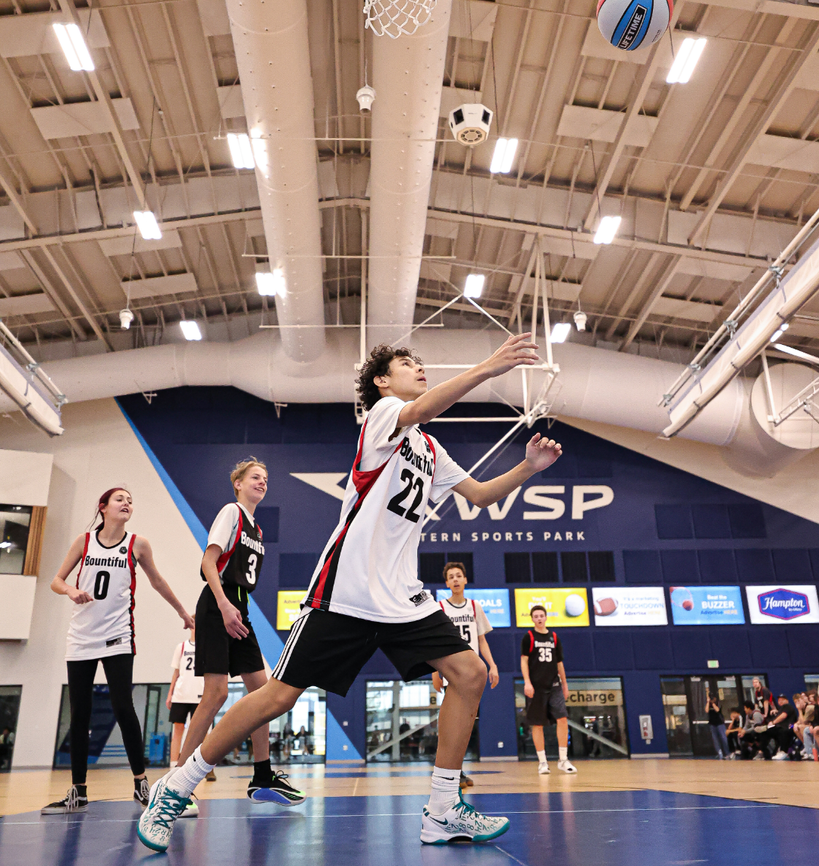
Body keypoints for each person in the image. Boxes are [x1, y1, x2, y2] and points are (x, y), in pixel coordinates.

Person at [137, 332, 562, 851]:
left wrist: (527, 469)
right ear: (383, 380)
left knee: (470, 672)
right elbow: (425, 405)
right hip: (346, 591)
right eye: (408, 364)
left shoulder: (430, 447)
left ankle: (443, 809)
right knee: (277, 697)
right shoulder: (383, 415)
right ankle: (175, 786)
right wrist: (488, 368)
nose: (419, 369)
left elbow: (477, 494)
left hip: (402, 596)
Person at [43, 487, 193, 815]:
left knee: (123, 706)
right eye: (119, 499)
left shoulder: (137, 543)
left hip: (117, 636)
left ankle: (141, 783)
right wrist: (70, 590)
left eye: (130, 500)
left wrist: (182, 612)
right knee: (80, 713)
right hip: (80, 637)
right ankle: (78, 791)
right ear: (103, 507)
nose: (127, 503)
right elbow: (56, 580)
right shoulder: (84, 542)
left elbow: (157, 581)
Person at [173, 459, 297, 806]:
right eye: (256, 477)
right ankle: (177, 783)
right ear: (238, 484)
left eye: (266, 478)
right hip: (218, 604)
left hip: (239, 607)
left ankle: (262, 775)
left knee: (264, 694)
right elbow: (208, 562)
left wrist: (235, 608)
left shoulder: (256, 529)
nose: (263, 482)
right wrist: (224, 606)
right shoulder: (232, 512)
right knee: (215, 694)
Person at [431, 561, 499, 789]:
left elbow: (481, 640)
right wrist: (435, 671)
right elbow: (435, 643)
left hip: (472, 672)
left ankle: (456, 770)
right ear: (447, 583)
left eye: (459, 575)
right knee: (453, 724)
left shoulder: (474, 606)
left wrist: (492, 665)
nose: (456, 580)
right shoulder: (440, 607)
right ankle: (451, 772)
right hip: (453, 670)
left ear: (465, 580)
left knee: (467, 724)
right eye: (451, 577)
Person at [520, 605, 576, 775]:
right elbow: (524, 661)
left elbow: (559, 663)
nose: (539, 618)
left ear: (545, 617)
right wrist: (527, 682)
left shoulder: (554, 637)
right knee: (537, 724)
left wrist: (565, 684)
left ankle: (563, 760)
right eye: (535, 616)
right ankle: (543, 762)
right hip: (536, 687)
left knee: (562, 719)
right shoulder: (528, 637)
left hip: (554, 685)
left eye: (541, 615)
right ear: (532, 619)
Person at [167, 621, 205, 768]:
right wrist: (170, 694)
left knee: (200, 732)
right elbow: (176, 672)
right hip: (181, 695)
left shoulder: (206, 647)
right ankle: (174, 764)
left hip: (199, 694)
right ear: (190, 627)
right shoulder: (181, 647)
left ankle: (199, 765)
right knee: (178, 729)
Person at [769, 694, 798, 760]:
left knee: (783, 731)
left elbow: (783, 716)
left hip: (790, 726)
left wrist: (773, 722)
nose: (780, 701)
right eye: (779, 700)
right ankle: (764, 751)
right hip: (780, 727)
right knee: (768, 731)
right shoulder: (780, 709)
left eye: (782, 700)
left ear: (787, 700)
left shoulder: (788, 707)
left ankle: (783, 751)